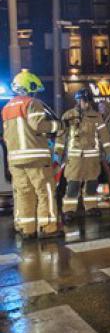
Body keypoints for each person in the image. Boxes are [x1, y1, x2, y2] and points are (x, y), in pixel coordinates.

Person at [1, 70, 63, 238]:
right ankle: (48, 227)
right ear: (30, 87)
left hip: (15, 159)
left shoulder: (7, 108)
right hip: (35, 158)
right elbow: (38, 125)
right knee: (45, 191)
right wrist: (57, 126)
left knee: (23, 193)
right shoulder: (32, 103)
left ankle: (27, 229)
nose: (36, 93)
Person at [56, 88, 110, 222]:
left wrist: (108, 151)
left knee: (92, 184)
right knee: (73, 185)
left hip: (92, 159)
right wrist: (58, 152)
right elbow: (61, 136)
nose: (84, 103)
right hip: (75, 159)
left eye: (86, 101)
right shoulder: (68, 115)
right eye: (81, 101)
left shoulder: (96, 116)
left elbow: (104, 135)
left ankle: (91, 207)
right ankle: (69, 210)